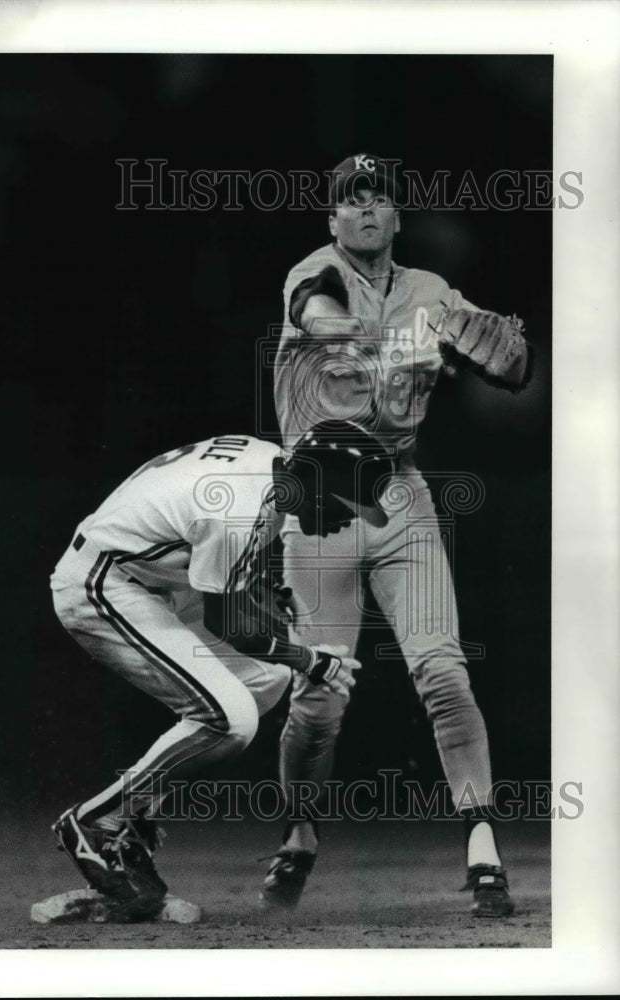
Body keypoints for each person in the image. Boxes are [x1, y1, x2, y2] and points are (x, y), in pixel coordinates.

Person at [261, 153, 533, 918]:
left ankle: (482, 848)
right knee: (320, 697)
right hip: (320, 503)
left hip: (401, 492)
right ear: (333, 218)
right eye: (352, 199)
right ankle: (301, 833)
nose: (368, 209)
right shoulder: (312, 274)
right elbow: (321, 318)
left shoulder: (430, 293)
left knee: (443, 671)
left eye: (380, 198)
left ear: (398, 216)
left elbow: (515, 367)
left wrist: (494, 347)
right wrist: (395, 343)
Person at [49, 422, 390, 921]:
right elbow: (230, 622)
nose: (346, 521)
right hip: (104, 584)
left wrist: (280, 618)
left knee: (263, 683)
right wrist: (313, 660)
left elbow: (229, 581)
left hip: (152, 579)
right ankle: (96, 822)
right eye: (344, 505)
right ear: (313, 482)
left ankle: (131, 818)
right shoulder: (238, 506)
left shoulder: (269, 469)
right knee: (230, 719)